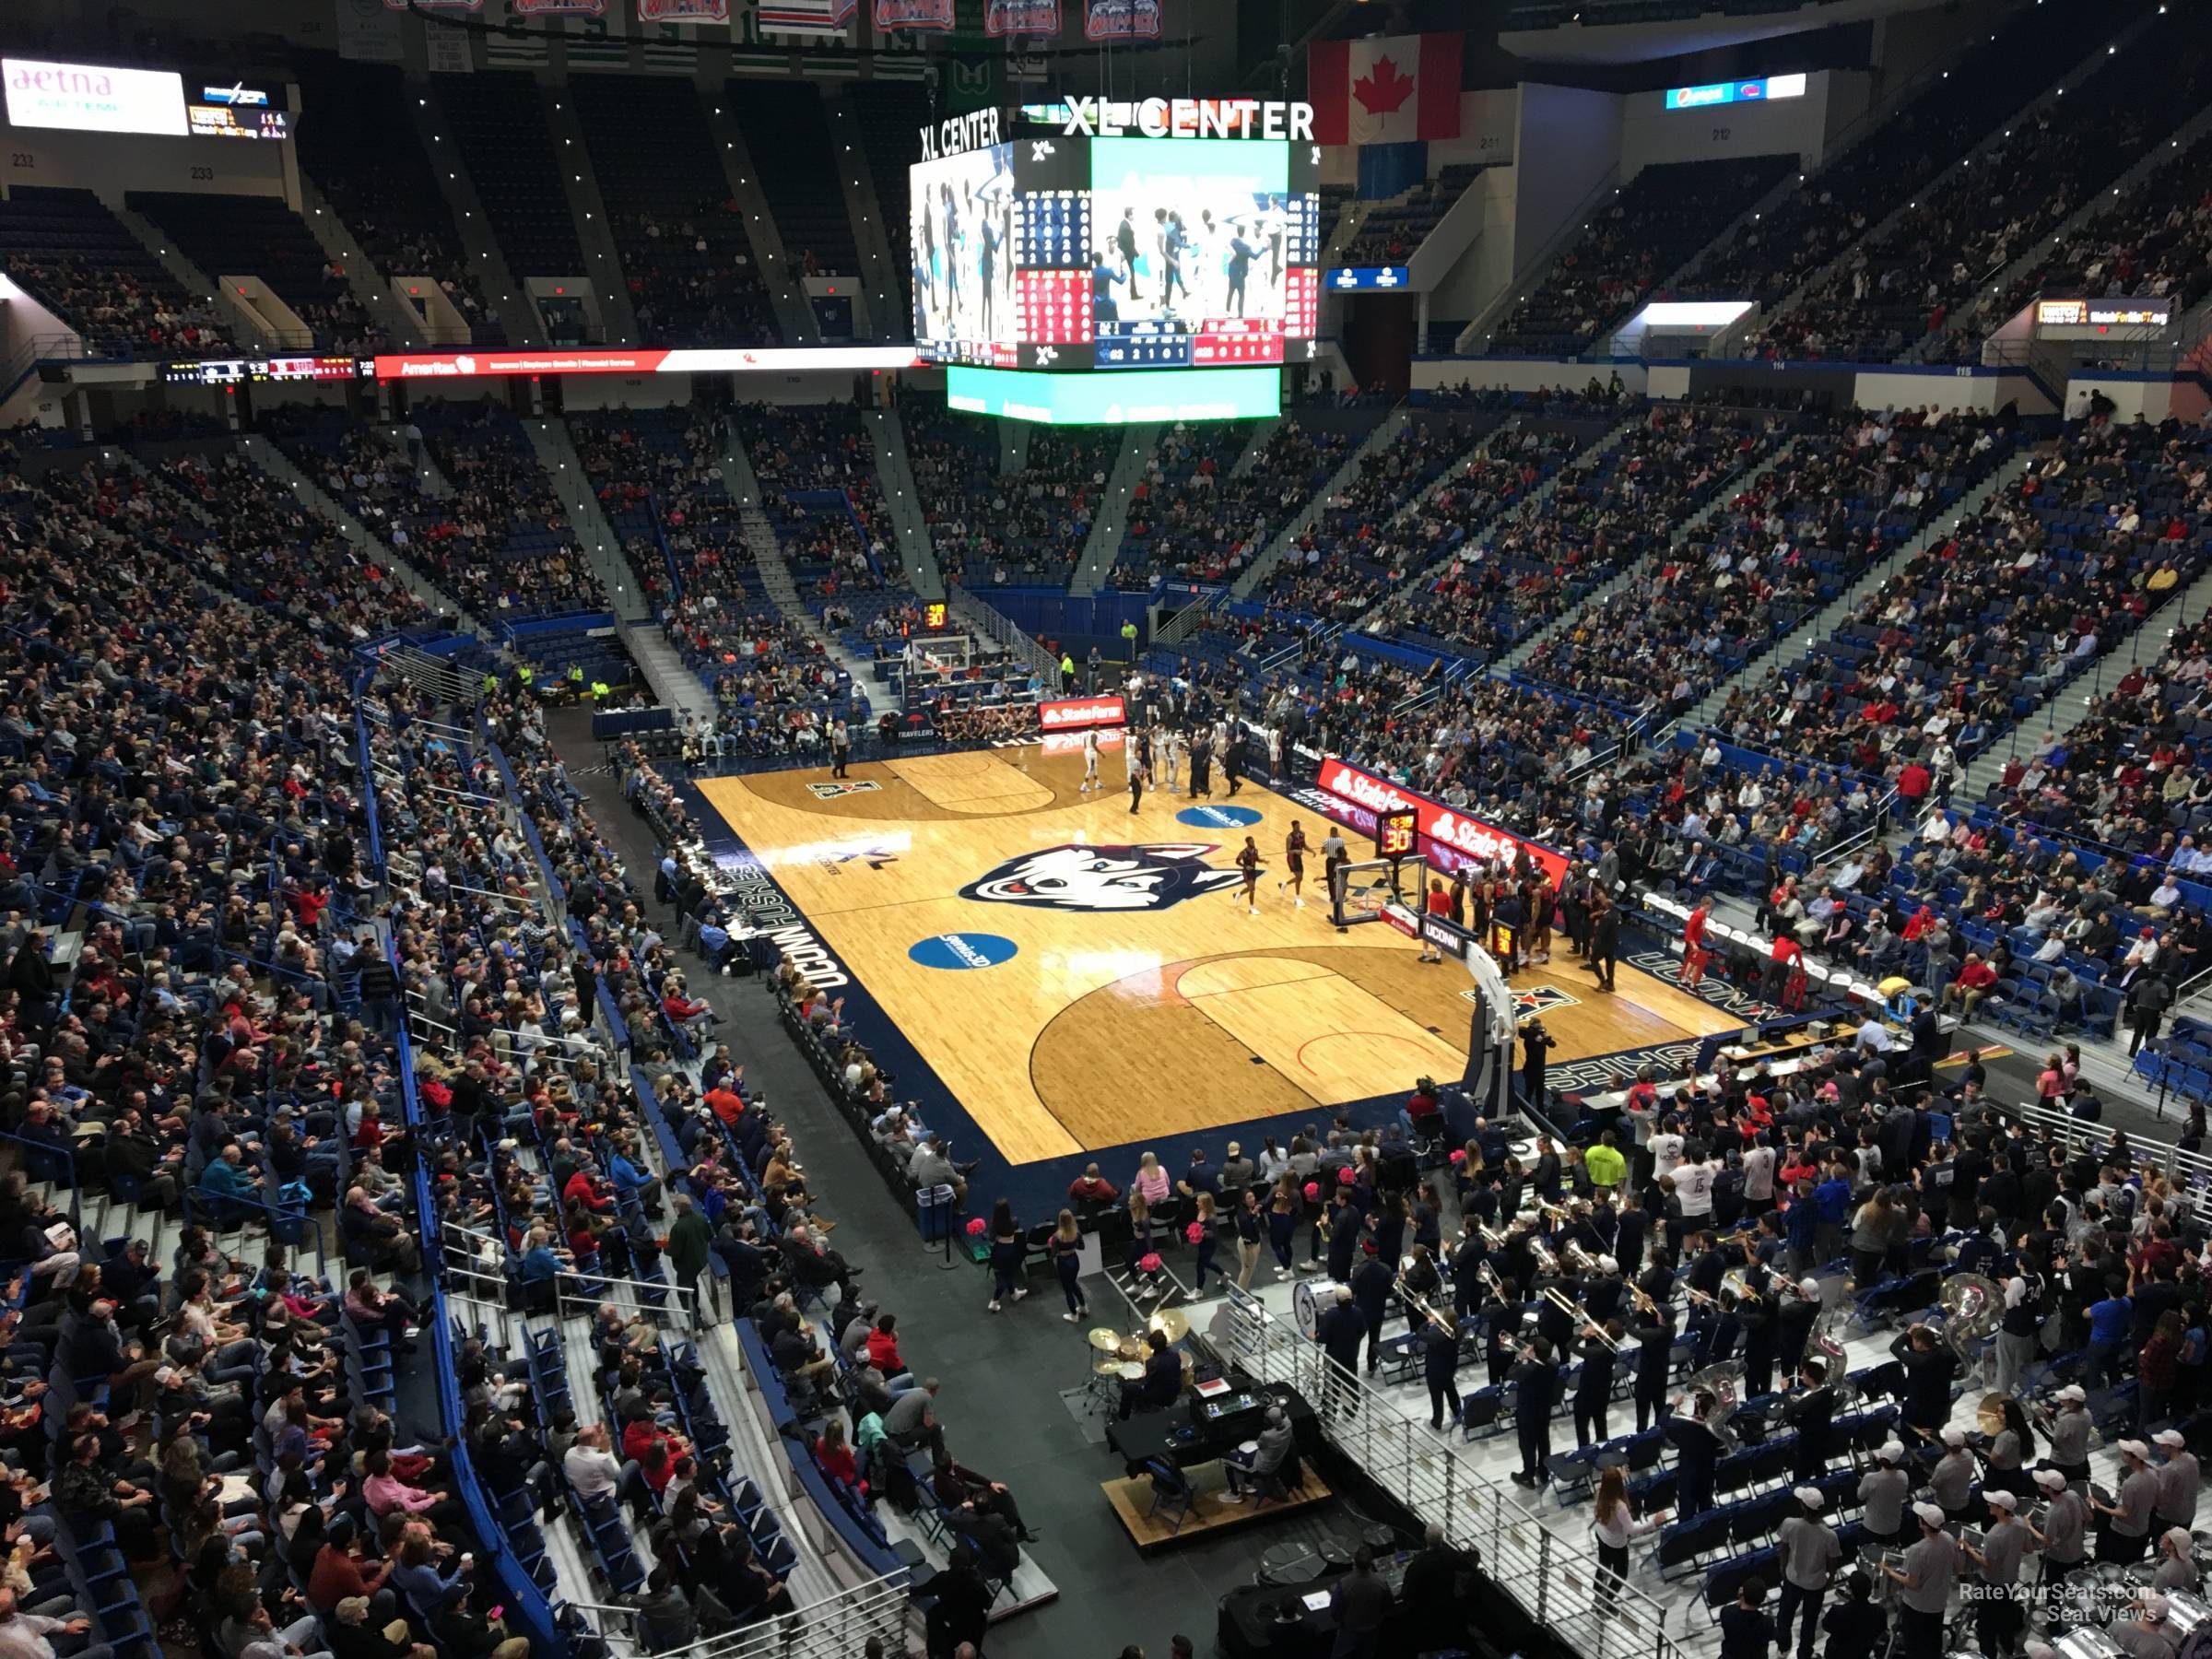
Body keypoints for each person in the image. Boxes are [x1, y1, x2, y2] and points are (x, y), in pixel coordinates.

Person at [1882, 1504, 1957, 1659]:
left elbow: (1912, 1583)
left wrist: (1889, 1571)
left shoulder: (1918, 1550)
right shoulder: (1949, 1539)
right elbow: (1958, 1566)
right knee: (1933, 1644)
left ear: (1923, 1523)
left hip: (1917, 1607)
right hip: (1939, 1603)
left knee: (1915, 1647)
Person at [1961, 1489, 2029, 1658]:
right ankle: (2008, 1648)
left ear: (2001, 1508)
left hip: (1992, 1582)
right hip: (2011, 1578)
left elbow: (1987, 1564)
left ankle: (1988, 1654)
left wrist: (1969, 1549)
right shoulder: (2021, 1524)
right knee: (2006, 1616)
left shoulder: (1995, 1534)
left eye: (1992, 1503)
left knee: (1985, 1624)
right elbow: (2029, 1548)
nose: (1988, 1504)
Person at [1774, 1487, 1840, 1659]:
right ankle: (1804, 1654)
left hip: (1793, 1578)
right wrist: (1831, 1578)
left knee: (1784, 1617)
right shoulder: (1830, 1535)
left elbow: (1783, 1548)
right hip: (1815, 1584)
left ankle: (1783, 1648)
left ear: (1803, 1506)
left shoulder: (1790, 1524)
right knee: (1809, 1623)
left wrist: (1782, 1567)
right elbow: (1832, 1561)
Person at [1590, 1466, 1664, 1613]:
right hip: (1616, 1545)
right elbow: (1632, 1530)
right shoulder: (1620, 1507)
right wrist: (1653, 1522)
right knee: (1620, 1575)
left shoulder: (1599, 1491)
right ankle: (1606, 1602)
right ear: (1617, 1485)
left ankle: (1597, 1598)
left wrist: (1618, 1478)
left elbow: (1609, 1486)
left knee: (1603, 1567)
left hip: (1601, 1535)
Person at [1327, 1547, 1394, 1659]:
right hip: (1372, 1629)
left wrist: (1341, 1621)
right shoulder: (1381, 1582)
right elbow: (1388, 1604)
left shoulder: (1345, 1583)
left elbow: (1335, 1610)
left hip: (1350, 1629)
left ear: (1354, 1561)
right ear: (1371, 1562)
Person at [1509, 1335, 1556, 1488]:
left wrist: (1520, 1359)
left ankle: (1527, 1475)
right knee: (1543, 1441)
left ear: (1535, 1352)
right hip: (1544, 1410)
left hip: (1528, 1412)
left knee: (1527, 1444)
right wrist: (1531, 1357)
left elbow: (1510, 1374)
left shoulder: (1527, 1369)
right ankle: (1543, 1472)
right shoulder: (1553, 1364)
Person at [1218, 1406, 1292, 1502]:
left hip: (1258, 1466)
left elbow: (1259, 1444)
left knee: (1224, 1457)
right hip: (1273, 1461)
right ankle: (1248, 1485)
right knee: (1244, 1448)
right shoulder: (1288, 1424)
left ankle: (1234, 1494)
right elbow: (1283, 1413)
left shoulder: (1267, 1435)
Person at [1046, 1210, 1088, 1323]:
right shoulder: (1077, 1233)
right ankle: (1083, 1307)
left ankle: (1074, 1315)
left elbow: (1053, 1254)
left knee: (1068, 1289)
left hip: (1063, 1263)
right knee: (1073, 1283)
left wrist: (1051, 1246)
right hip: (1074, 1261)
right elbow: (1082, 1247)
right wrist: (1072, 1246)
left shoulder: (1057, 1237)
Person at [1718, 1576, 1774, 1659]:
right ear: (1762, 1600)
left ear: (1742, 1594)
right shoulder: (1766, 1622)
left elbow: (1733, 1608)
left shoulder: (1727, 1613)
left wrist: (1741, 1598)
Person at [1280, 821, 1308, 909]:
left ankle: (1285, 884)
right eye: (1297, 826)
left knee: (1300, 878)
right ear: (1293, 827)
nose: (1298, 827)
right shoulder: (1289, 837)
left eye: (1299, 826)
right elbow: (1287, 851)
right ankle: (1297, 898)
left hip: (1298, 858)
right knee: (1299, 877)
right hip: (1291, 858)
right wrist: (1296, 851)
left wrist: (1312, 851)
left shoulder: (1302, 834)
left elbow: (1304, 845)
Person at [1237, 837, 1261, 917]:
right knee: (1252, 890)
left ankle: (1238, 894)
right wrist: (1245, 866)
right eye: (1251, 842)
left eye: (1253, 841)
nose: (1253, 843)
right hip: (1246, 872)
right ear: (1247, 843)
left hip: (1253, 871)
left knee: (1251, 888)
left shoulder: (1255, 850)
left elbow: (1256, 859)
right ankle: (1251, 908)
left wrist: (1263, 861)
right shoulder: (1243, 852)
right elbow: (1237, 861)